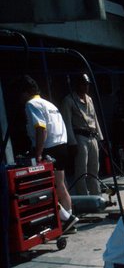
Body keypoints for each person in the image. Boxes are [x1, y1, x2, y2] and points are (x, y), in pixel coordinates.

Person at [18, 75, 79, 233]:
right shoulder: (48, 103)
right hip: (61, 146)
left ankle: (67, 218)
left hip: (49, 149)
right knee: (60, 185)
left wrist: (38, 154)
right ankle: (69, 222)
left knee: (45, 189)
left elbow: (41, 129)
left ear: (25, 93)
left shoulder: (31, 104)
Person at [62, 73, 104, 196]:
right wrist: (72, 142)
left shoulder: (89, 99)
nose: (86, 87)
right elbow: (67, 122)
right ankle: (84, 197)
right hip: (79, 137)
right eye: (83, 84)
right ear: (77, 85)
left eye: (87, 84)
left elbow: (94, 118)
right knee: (81, 171)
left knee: (94, 169)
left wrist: (100, 137)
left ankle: (97, 196)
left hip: (92, 136)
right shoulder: (69, 100)